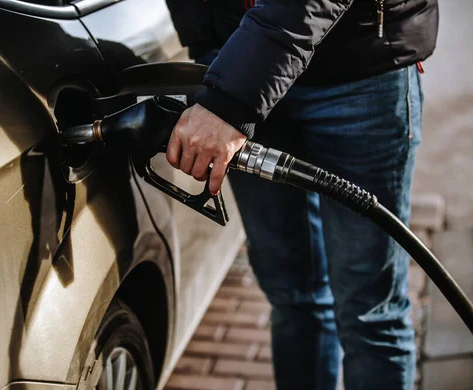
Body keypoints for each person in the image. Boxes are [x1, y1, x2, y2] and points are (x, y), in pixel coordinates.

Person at [165, 1, 438, 389]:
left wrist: (232, 95)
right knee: (293, 299)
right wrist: (211, 46)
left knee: (370, 315)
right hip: (240, 62)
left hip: (362, 70)